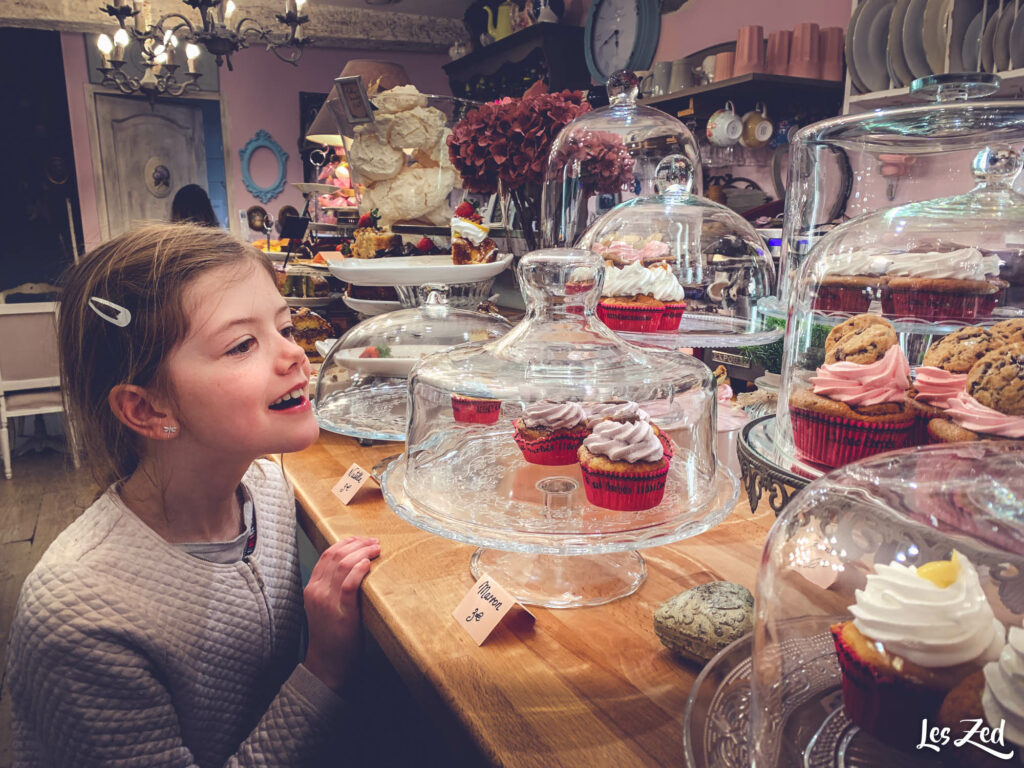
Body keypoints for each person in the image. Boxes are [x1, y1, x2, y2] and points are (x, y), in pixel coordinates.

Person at [7, 222, 379, 766]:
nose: (295, 357)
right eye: (242, 345)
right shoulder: (80, 617)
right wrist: (323, 669)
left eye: (286, 326)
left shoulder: (267, 489)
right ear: (147, 409)